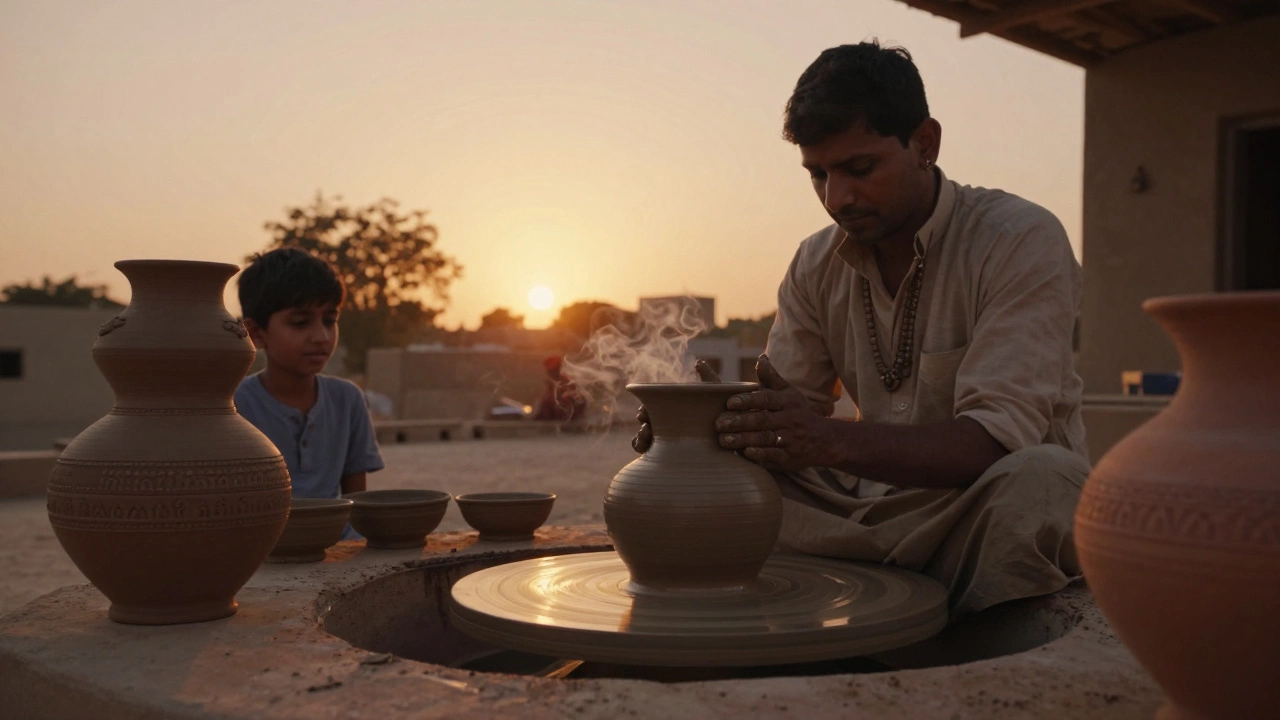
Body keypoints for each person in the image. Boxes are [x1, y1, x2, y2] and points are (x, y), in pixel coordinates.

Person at [635, 41, 1087, 618]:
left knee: (1044, 482)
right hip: (859, 510)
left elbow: (993, 442)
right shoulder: (814, 262)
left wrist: (828, 441)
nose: (836, 197)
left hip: (976, 508)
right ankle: (862, 596)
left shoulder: (1019, 239)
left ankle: (949, 631)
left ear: (925, 144)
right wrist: (705, 429)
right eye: (817, 174)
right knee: (724, 484)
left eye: (859, 168)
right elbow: (788, 417)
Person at [234, 248, 385, 539]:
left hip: (339, 548)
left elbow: (358, 505)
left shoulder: (347, 399)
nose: (322, 336)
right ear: (256, 333)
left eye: (329, 320)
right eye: (300, 322)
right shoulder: (234, 405)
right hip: (263, 552)